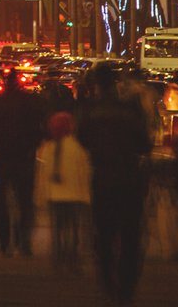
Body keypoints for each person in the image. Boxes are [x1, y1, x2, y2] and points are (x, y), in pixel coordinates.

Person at [78, 63, 152, 307]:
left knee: (104, 234)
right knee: (131, 236)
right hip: (130, 180)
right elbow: (144, 144)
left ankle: (108, 283)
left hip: (103, 179)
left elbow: (83, 139)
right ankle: (127, 287)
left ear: (96, 84)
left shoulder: (92, 110)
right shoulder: (129, 110)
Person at [0, 69, 44, 255]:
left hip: (4, 157)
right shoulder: (29, 101)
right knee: (24, 201)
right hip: (23, 157)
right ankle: (23, 241)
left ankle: (4, 242)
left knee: (2, 202)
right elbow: (38, 128)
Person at [38, 111, 91, 273]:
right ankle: (73, 260)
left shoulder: (48, 148)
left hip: (55, 196)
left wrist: (41, 197)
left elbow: (43, 175)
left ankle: (58, 260)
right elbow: (84, 173)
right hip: (74, 196)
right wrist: (86, 196)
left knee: (57, 230)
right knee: (73, 230)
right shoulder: (78, 148)